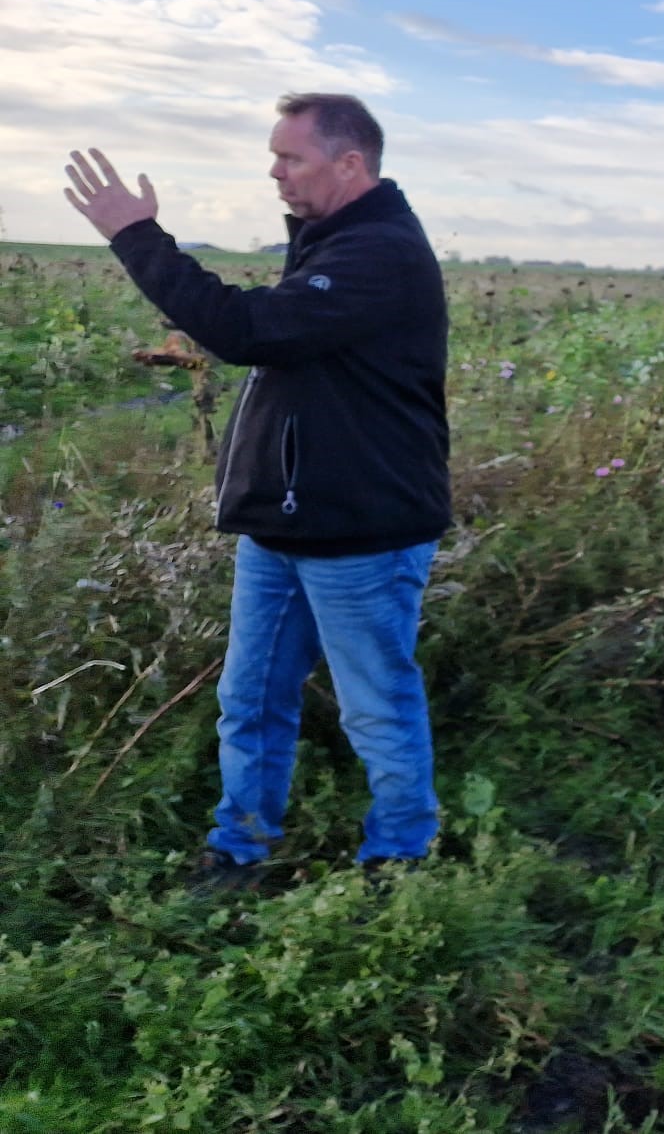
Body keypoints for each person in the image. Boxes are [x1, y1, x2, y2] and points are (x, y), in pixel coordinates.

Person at [62, 93, 451, 884]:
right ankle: (238, 849)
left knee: (376, 707)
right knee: (250, 701)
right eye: (273, 155)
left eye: (291, 158)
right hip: (286, 523)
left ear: (351, 163)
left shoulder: (379, 252)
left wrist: (136, 236)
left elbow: (248, 332)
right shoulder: (329, 241)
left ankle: (400, 859)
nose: (274, 171)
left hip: (362, 530)